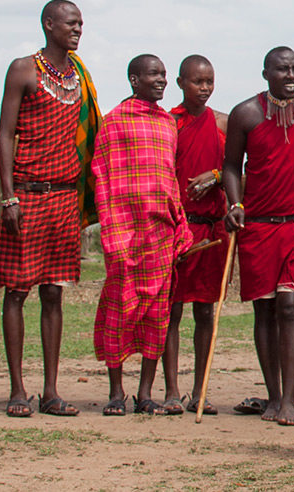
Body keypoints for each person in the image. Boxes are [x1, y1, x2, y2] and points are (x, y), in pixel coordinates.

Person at [0, 0, 100, 418]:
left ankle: (51, 390)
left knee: (54, 292)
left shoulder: (78, 76)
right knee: (18, 291)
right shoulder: (24, 69)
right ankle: (18, 390)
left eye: (81, 23)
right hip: (29, 193)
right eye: (71, 23)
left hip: (64, 198)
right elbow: (5, 134)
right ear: (48, 24)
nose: (78, 29)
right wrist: (8, 196)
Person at [222, 47, 294, 426]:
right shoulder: (246, 114)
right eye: (282, 70)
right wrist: (234, 204)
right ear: (265, 74)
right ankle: (272, 396)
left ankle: (289, 399)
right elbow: (230, 167)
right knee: (265, 310)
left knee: (290, 306)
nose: (290, 76)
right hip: (258, 225)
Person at [91, 55, 195, 417]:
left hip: (160, 234)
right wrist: (110, 231)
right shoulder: (113, 122)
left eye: (164, 75)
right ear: (134, 79)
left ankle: (145, 393)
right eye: (153, 74)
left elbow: (170, 182)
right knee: (120, 309)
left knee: (157, 313)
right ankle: (116, 392)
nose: (161, 80)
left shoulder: (169, 124)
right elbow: (102, 178)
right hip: (123, 233)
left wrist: (180, 226)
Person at [165, 54, 228, 416]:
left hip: (211, 231)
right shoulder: (168, 123)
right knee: (171, 311)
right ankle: (172, 390)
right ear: (180, 83)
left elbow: (237, 170)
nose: (204, 88)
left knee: (206, 312)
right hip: (176, 228)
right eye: (196, 82)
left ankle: (199, 389)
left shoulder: (222, 123)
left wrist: (217, 177)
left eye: (209, 82)